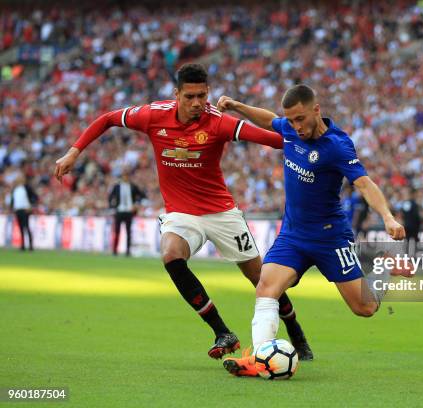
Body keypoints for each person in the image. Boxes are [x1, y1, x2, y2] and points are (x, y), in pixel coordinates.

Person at [54, 63, 312, 361]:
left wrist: (312, 140)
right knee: (171, 255)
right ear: (176, 94)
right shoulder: (153, 115)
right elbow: (109, 118)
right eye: (189, 97)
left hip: (222, 212)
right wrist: (74, 151)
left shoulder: (219, 123)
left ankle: (296, 331)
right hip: (181, 213)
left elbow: (276, 140)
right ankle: (221, 331)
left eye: (202, 96)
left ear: (208, 93)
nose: (197, 104)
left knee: (262, 280)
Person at [216, 84, 405, 377]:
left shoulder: (338, 145)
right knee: (266, 287)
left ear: (317, 110)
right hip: (293, 234)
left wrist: (389, 218)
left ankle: (383, 265)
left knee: (364, 308)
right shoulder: (290, 129)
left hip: (330, 237)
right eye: (291, 120)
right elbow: (269, 120)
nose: (295, 126)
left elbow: (365, 183)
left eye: (300, 119)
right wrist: (238, 106)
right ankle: (259, 359)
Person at [108, 170, 146, 256]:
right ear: (121, 177)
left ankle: (128, 251)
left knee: (128, 231)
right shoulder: (117, 186)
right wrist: (113, 207)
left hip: (129, 211)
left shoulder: (133, 186)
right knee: (117, 231)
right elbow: (110, 197)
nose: (125, 177)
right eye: (124, 176)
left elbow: (142, 195)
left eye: (127, 176)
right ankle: (115, 250)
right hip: (119, 211)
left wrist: (136, 204)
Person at [9, 174, 37, 251]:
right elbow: (13, 200)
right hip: (18, 210)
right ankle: (23, 245)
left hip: (25, 210)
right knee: (21, 228)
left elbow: (34, 197)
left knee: (26, 227)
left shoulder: (27, 188)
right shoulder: (15, 189)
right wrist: (11, 208)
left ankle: (31, 246)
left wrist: (31, 206)